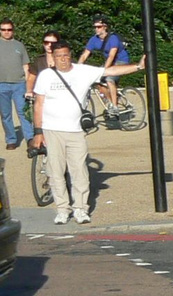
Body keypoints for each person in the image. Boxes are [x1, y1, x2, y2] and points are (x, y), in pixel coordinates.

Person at [30, 39, 145, 224]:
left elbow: (110, 71)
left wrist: (138, 66)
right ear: (53, 57)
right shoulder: (46, 76)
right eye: (59, 56)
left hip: (75, 130)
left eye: (66, 55)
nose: (63, 60)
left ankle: (80, 208)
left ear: (71, 56)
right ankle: (62, 209)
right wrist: (38, 132)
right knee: (55, 171)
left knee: (79, 170)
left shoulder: (83, 72)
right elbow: (39, 104)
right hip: (52, 130)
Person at [80, 16, 131, 114]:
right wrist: (77, 68)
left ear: (105, 27)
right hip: (109, 62)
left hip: (121, 61)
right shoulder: (93, 39)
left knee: (109, 79)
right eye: (95, 27)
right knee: (97, 81)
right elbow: (85, 54)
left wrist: (104, 71)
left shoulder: (113, 38)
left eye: (98, 27)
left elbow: (112, 56)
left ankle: (115, 107)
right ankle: (112, 101)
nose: (96, 29)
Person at [0, 17, 33, 150]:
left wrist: (28, 85)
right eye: (3, 29)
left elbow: (26, 65)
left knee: (23, 113)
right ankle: (11, 139)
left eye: (9, 29)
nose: (6, 32)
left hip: (19, 84)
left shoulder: (19, 45)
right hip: (1, 85)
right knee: (5, 114)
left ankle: (30, 139)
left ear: (13, 30)